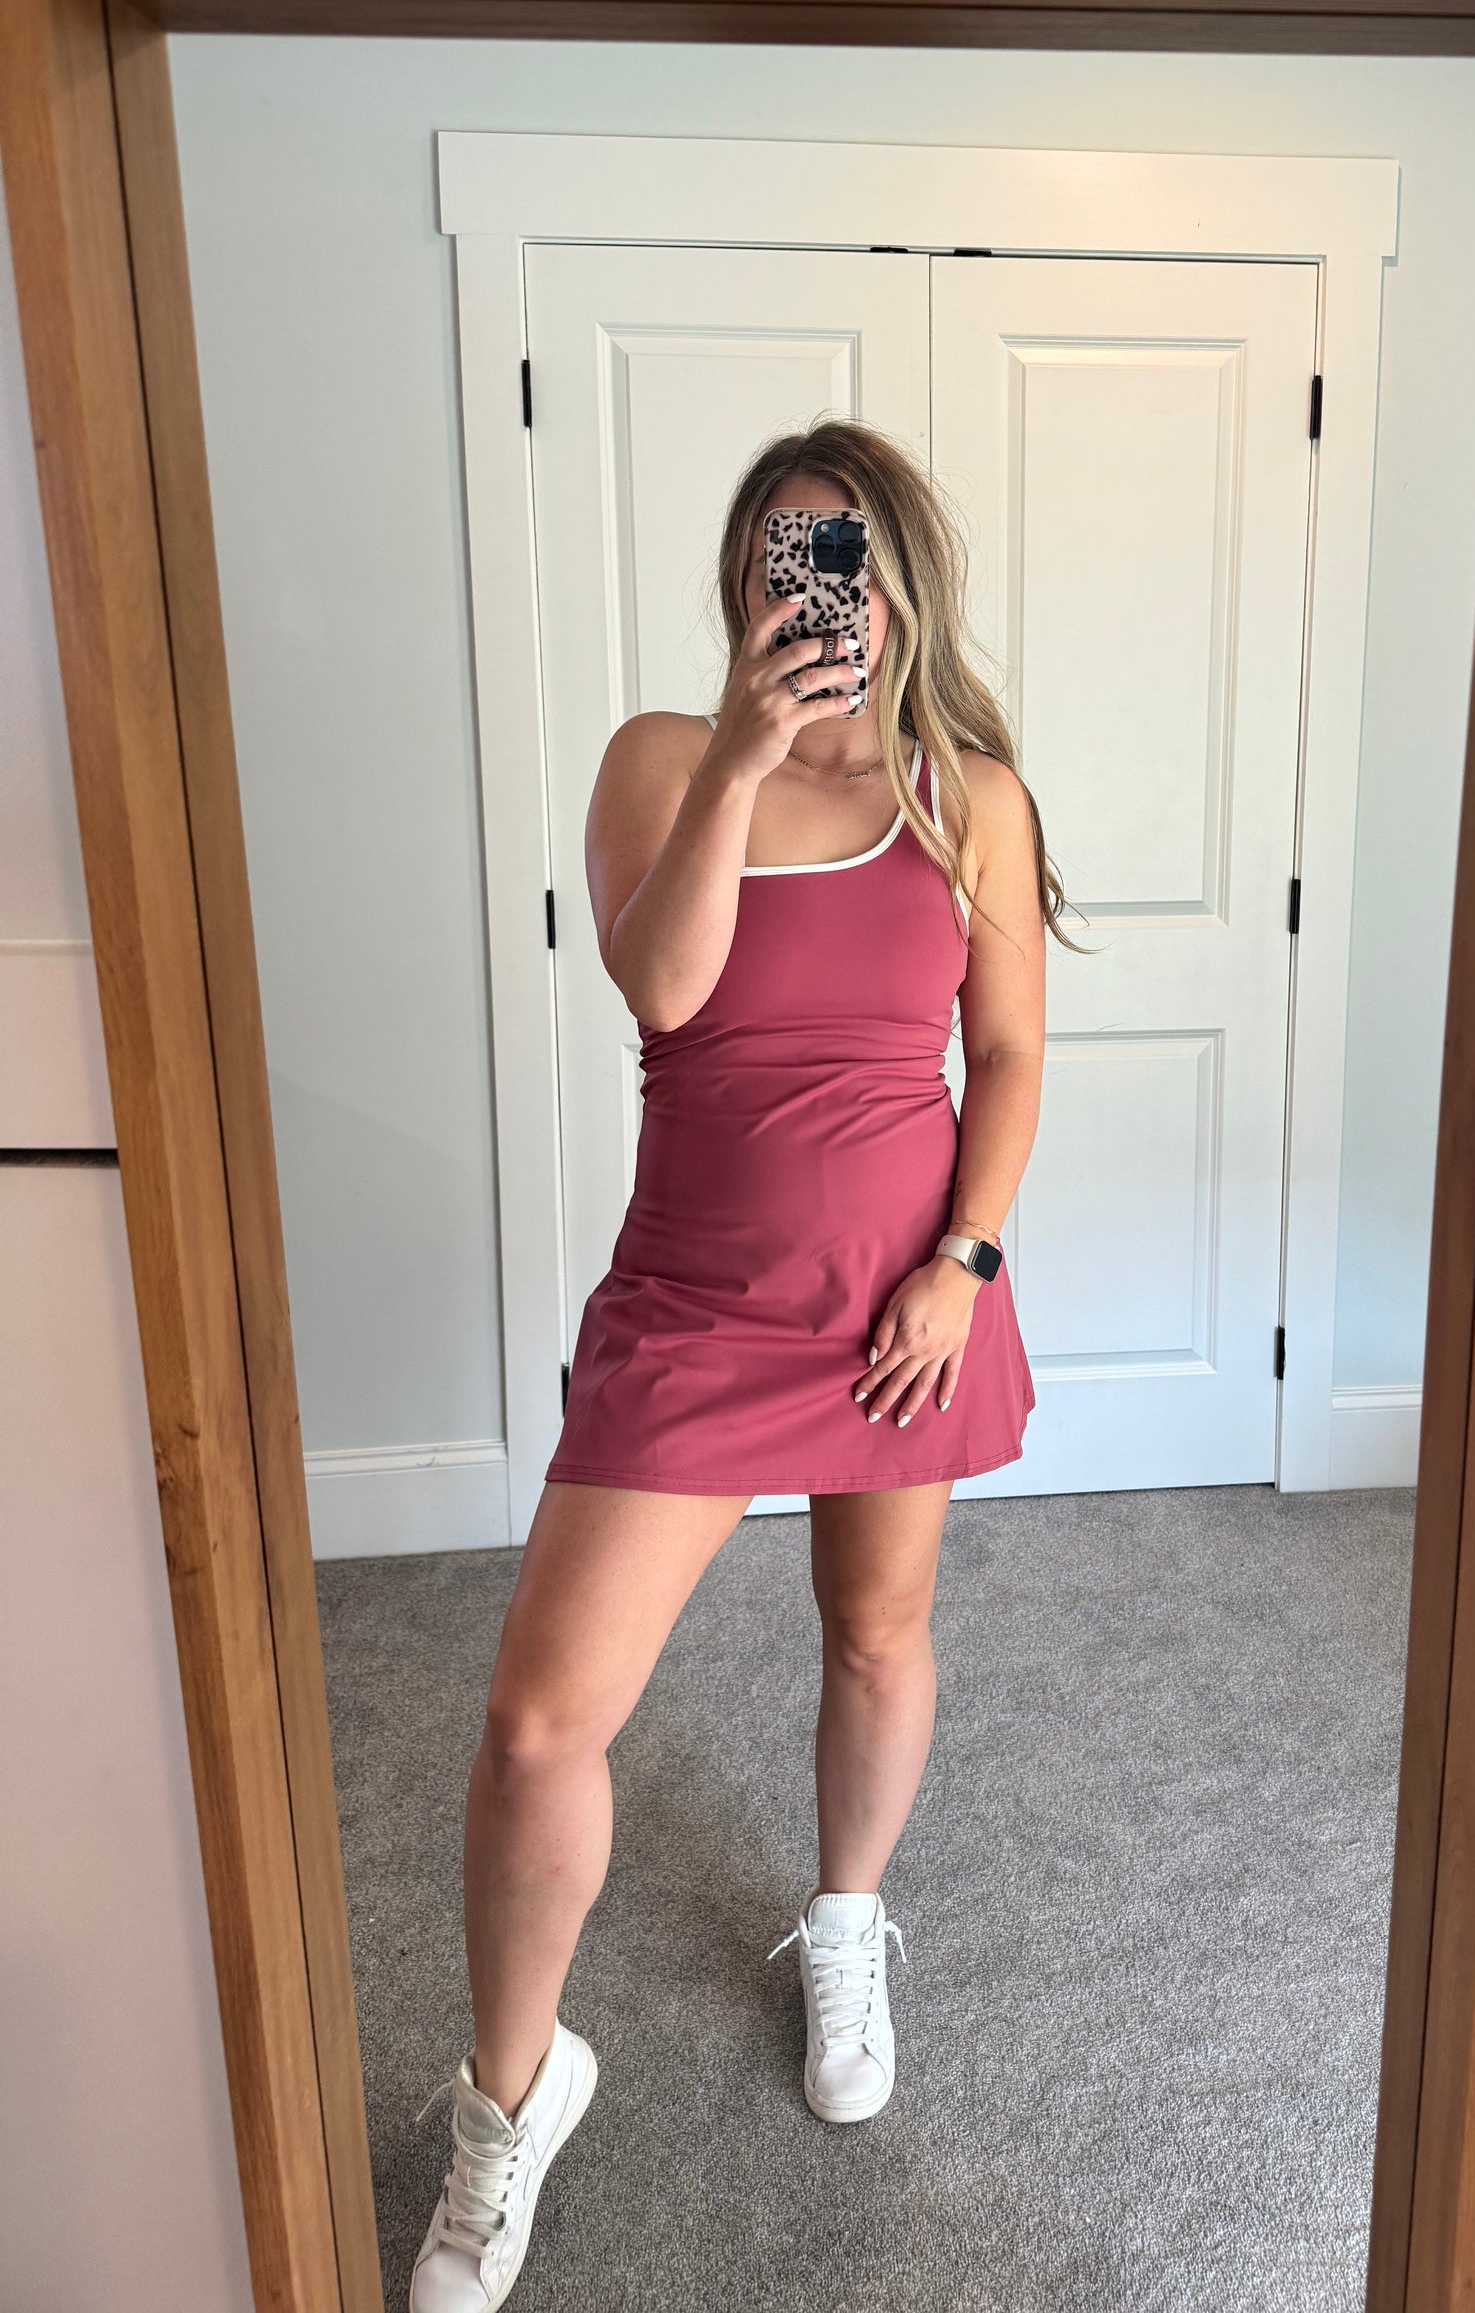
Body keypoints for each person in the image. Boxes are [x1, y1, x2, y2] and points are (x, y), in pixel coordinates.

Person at [410, 417, 1062, 2312]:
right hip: (695, 1305)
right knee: (540, 1725)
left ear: (899, 582)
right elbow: (664, 987)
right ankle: (512, 2096)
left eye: (844, 555)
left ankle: (846, 1917)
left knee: (875, 1630)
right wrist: (744, 756)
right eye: (787, 553)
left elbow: (1007, 1055)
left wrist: (962, 1263)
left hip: (898, 1299)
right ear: (744, 581)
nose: (816, 589)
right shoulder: (662, 758)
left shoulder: (970, 796)